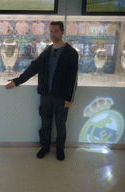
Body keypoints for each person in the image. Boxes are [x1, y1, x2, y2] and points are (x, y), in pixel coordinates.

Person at [5, 21, 78, 161]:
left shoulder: (71, 53)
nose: (53, 34)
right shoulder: (47, 52)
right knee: (45, 125)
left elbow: (73, 78)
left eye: (56, 31)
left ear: (62, 32)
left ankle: (60, 149)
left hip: (61, 97)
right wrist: (17, 81)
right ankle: (45, 147)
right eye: (51, 31)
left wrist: (69, 99)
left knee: (61, 126)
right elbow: (34, 67)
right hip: (45, 96)